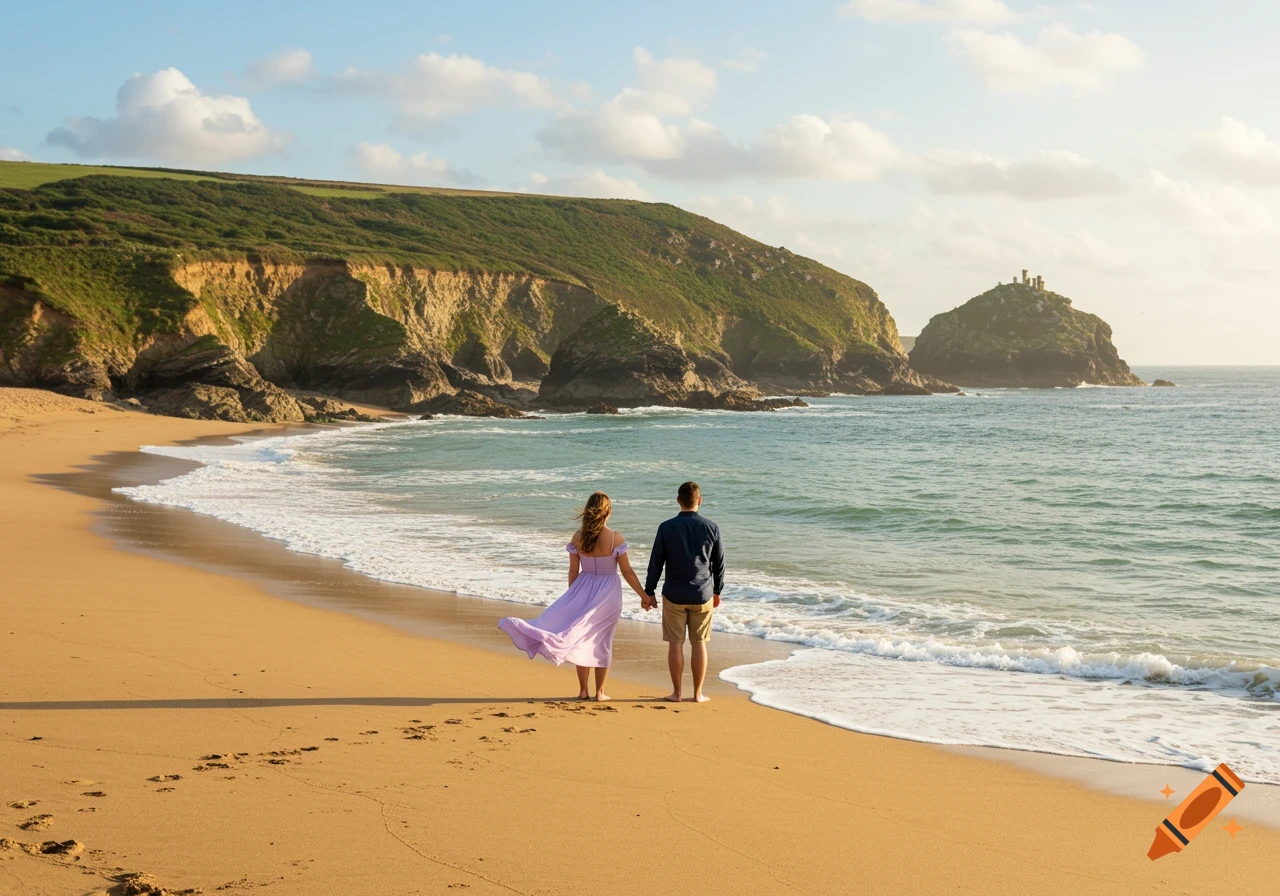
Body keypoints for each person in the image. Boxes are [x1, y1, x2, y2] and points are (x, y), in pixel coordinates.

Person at [498, 492, 649, 701]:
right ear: (608, 512)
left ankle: (583, 691)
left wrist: (573, 597)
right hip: (608, 593)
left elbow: (572, 571)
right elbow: (627, 572)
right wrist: (644, 596)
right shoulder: (616, 537)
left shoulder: (578, 537)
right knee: (602, 640)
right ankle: (600, 692)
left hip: (582, 588)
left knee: (582, 638)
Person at [644, 481, 723, 703]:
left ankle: (677, 693)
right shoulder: (711, 527)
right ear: (699, 500)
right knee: (699, 643)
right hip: (702, 593)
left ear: (678, 500)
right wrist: (717, 590)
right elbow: (719, 564)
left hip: (674, 594)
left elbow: (656, 563)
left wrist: (648, 592)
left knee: (675, 643)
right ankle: (697, 694)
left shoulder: (666, 527)